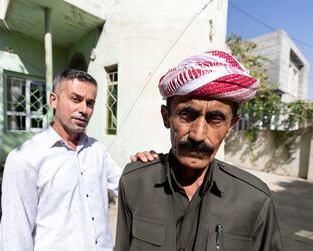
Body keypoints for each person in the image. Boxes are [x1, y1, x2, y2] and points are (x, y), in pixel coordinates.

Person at [115, 50, 283, 251]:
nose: (198, 134)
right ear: (166, 117)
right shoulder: (134, 182)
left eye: (215, 119)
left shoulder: (255, 200)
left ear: (231, 125)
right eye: (187, 114)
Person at [0, 69, 153, 251]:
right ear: (53, 100)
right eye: (75, 99)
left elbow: (126, 187)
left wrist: (144, 167)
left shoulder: (97, 150)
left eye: (90, 103)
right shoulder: (25, 158)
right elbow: (15, 237)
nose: (84, 110)